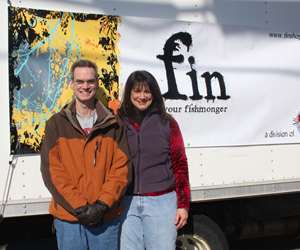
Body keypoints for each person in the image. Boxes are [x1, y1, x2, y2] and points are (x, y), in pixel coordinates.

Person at [40, 59, 129, 250]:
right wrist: (80, 208)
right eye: (79, 81)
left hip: (106, 218)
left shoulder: (113, 124)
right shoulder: (56, 124)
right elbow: (53, 172)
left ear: (97, 83)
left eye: (90, 81)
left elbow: (121, 170)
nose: (85, 86)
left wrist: (102, 205)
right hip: (69, 218)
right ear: (71, 84)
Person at [118, 70, 190, 250]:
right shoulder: (118, 122)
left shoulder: (168, 123)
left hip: (162, 202)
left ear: (154, 94)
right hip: (126, 203)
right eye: (137, 91)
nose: (142, 96)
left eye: (147, 92)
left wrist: (183, 205)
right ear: (129, 93)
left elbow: (180, 164)